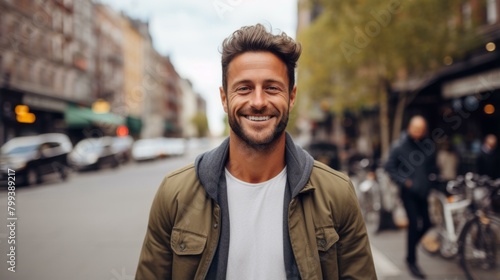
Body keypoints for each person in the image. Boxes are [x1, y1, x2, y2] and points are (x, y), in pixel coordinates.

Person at [136, 24, 376, 279]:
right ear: (224, 99)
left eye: (272, 88)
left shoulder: (336, 193)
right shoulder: (174, 193)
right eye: (244, 88)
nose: (259, 102)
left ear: (291, 97)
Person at [384, 115, 437, 279]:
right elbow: (389, 167)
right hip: (408, 193)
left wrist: (431, 182)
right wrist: (404, 182)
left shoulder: (427, 145)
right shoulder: (399, 146)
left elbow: (430, 167)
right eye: (415, 128)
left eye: (421, 129)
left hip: (423, 191)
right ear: (409, 127)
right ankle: (412, 261)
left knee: (428, 223)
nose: (418, 132)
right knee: (413, 225)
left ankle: (410, 251)